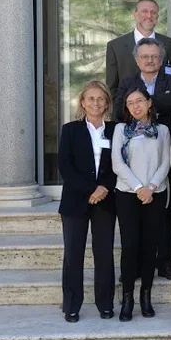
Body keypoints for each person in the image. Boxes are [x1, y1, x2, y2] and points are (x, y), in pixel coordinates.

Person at [114, 37, 171, 282]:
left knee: (164, 214)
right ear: (136, 60)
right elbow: (117, 110)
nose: (150, 60)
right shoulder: (127, 81)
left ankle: (166, 262)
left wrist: (142, 105)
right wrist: (150, 104)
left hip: (164, 151)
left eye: (154, 56)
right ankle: (133, 267)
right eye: (145, 56)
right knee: (133, 223)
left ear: (161, 58)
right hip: (133, 157)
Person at [57, 80, 117, 323]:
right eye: (90, 98)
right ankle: (71, 305)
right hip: (75, 201)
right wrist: (91, 189)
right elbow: (65, 167)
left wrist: (104, 188)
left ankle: (105, 304)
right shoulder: (70, 130)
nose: (96, 103)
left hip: (105, 200)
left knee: (104, 254)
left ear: (106, 103)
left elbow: (120, 163)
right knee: (73, 254)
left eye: (100, 99)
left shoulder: (115, 130)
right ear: (82, 102)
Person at [111, 86, 170, 322]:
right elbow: (118, 163)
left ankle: (146, 296)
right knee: (130, 247)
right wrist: (139, 188)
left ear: (149, 103)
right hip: (127, 194)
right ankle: (128, 298)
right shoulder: (121, 130)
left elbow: (166, 163)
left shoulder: (163, 130)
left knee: (149, 248)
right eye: (130, 103)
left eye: (139, 101)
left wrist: (151, 187)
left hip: (155, 194)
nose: (135, 106)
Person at [105, 0, 171, 99]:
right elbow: (112, 87)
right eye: (144, 11)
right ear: (135, 14)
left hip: (163, 112)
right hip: (127, 111)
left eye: (153, 12)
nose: (149, 15)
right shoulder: (115, 46)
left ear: (157, 16)